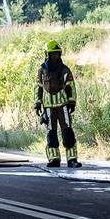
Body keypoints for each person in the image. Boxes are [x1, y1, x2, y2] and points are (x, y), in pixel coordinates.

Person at [34, 40, 80, 168]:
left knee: (68, 133)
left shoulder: (65, 70)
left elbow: (71, 86)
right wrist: (37, 103)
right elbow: (38, 88)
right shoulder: (42, 71)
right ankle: (54, 159)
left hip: (63, 106)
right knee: (51, 134)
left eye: (57, 54)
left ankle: (72, 159)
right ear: (47, 55)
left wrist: (72, 102)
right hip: (48, 107)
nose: (56, 57)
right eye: (53, 54)